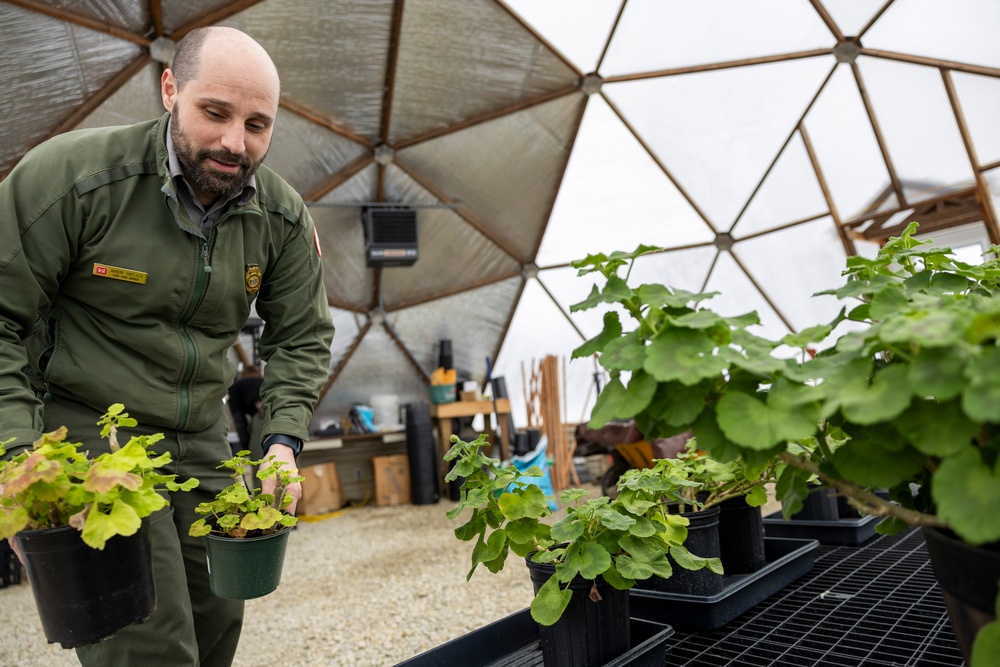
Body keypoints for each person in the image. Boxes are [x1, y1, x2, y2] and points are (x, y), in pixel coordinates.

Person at [0, 26, 335, 667]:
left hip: (204, 441)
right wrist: (18, 464)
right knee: (148, 647)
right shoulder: (73, 180)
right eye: (215, 113)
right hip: (89, 437)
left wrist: (283, 443)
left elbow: (301, 335)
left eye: (258, 124)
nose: (235, 142)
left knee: (216, 627)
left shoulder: (283, 218)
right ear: (169, 89)